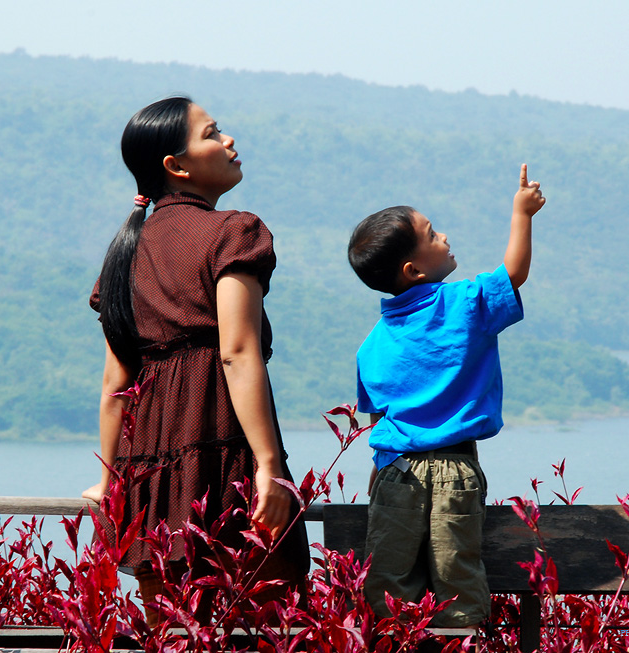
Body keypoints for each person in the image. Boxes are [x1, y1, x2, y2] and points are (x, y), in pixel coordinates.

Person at [81, 96, 308, 624]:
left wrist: (110, 480)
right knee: (267, 627)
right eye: (212, 133)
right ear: (177, 166)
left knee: (173, 630)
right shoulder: (234, 232)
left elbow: (116, 383)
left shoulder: (123, 254)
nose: (228, 140)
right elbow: (237, 352)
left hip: (148, 479)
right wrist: (270, 468)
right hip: (223, 457)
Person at [347, 164, 545, 627]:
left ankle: (393, 639)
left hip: (395, 474)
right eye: (432, 234)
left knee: (389, 581)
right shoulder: (463, 304)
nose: (445, 237)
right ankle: (463, 640)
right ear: (414, 270)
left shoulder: (371, 345)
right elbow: (513, 273)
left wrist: (380, 474)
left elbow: (379, 423)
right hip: (456, 469)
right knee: (457, 577)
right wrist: (522, 213)